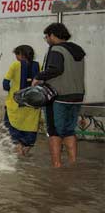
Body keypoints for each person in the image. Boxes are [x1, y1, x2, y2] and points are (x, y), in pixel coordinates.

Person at [33, 23, 86, 168]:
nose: (47, 39)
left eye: (47, 36)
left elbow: (56, 69)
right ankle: (73, 163)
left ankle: (56, 165)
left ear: (53, 35)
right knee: (69, 130)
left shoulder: (56, 49)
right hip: (76, 96)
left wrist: (38, 77)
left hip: (58, 96)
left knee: (54, 131)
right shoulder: (78, 49)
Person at [3, 45, 41, 156]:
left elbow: (5, 84)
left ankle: (19, 157)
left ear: (21, 55)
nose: (16, 57)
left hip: (15, 104)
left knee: (12, 127)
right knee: (30, 129)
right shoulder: (39, 65)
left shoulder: (15, 65)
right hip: (33, 106)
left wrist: (11, 91)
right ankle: (25, 155)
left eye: (16, 54)